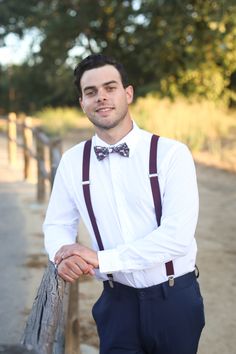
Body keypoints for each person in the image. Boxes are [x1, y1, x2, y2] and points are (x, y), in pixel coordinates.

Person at [43, 54, 205, 354]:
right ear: (82, 102)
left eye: (110, 87)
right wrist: (62, 255)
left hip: (174, 299)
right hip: (116, 303)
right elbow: (56, 225)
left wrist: (100, 259)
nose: (101, 97)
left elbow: (177, 236)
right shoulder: (73, 161)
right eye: (90, 92)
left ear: (128, 93)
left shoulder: (171, 154)